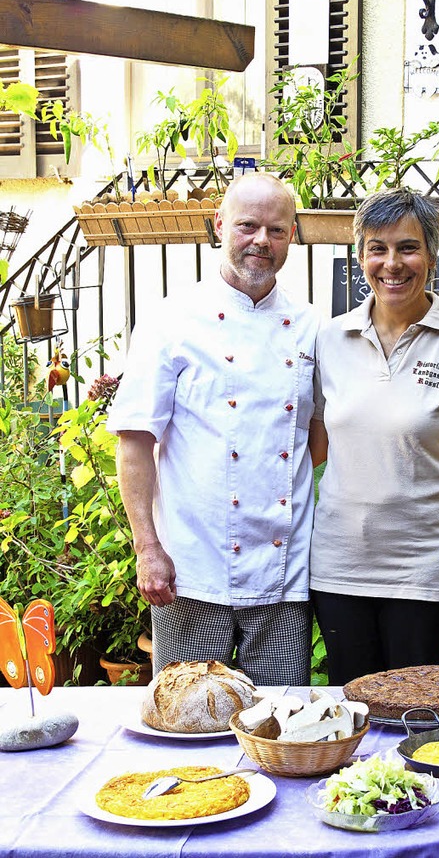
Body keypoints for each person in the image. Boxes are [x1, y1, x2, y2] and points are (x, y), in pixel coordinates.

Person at [107, 173, 321, 685]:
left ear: (293, 235)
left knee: (280, 725)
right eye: (247, 226)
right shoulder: (170, 320)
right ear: (220, 224)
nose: (261, 242)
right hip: (191, 568)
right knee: (189, 719)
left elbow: (319, 432)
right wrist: (147, 548)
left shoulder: (312, 325)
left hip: (282, 572)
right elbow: (135, 441)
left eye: (276, 230)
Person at [308, 187, 439, 685]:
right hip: (339, 571)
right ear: (360, 258)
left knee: (418, 717)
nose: (392, 264)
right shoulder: (329, 341)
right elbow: (314, 448)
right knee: (351, 714)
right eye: (377, 248)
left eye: (407, 247)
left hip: (425, 575)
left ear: (433, 255)